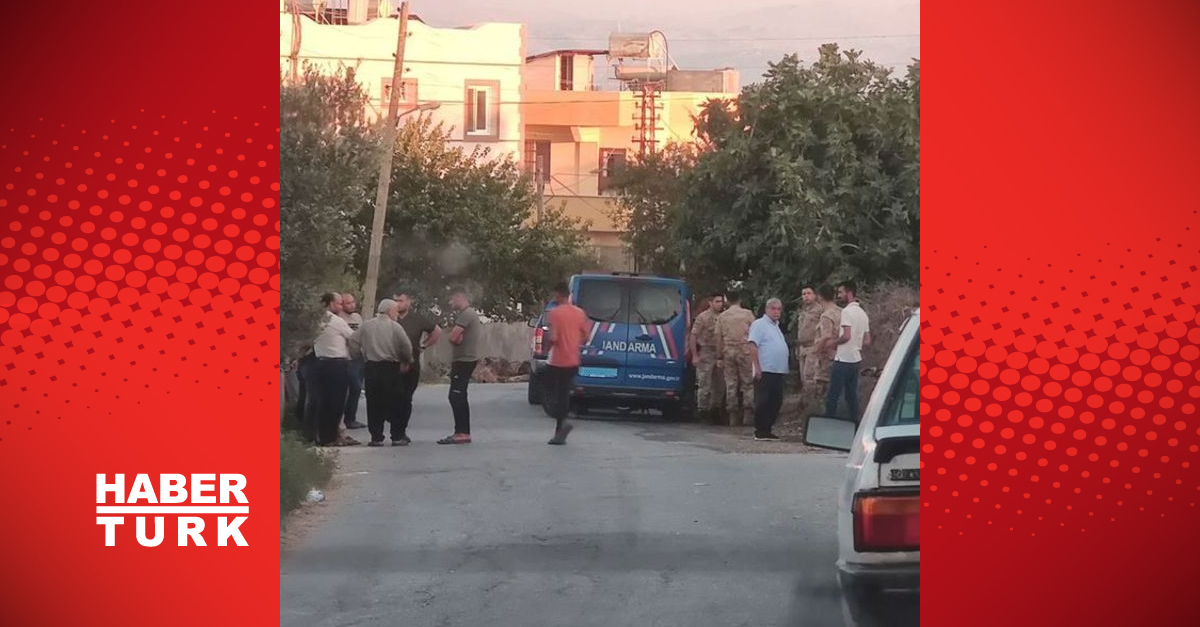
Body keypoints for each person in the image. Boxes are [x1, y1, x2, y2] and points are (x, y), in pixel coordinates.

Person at [349, 299, 414, 447]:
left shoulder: (366, 325)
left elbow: (352, 341)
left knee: (374, 403)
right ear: (390, 311)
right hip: (390, 367)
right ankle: (397, 436)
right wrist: (406, 361)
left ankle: (376, 437)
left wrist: (357, 356)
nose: (397, 314)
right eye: (396, 311)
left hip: (371, 367)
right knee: (395, 402)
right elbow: (405, 346)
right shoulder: (395, 327)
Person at [543, 282, 591, 445]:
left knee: (549, 391)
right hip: (573, 359)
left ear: (558, 295)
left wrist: (546, 349)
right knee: (564, 393)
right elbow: (586, 336)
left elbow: (554, 338)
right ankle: (559, 430)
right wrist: (573, 342)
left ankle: (561, 423)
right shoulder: (580, 313)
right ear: (569, 294)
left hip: (557, 359)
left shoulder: (555, 313)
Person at [391, 291, 443, 444]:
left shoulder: (417, 319)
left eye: (400, 300)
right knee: (393, 398)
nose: (397, 304)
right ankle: (394, 430)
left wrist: (423, 346)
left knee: (406, 398)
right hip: (391, 363)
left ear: (408, 302)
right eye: (395, 301)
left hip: (412, 363)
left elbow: (437, 331)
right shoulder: (389, 317)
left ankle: (400, 431)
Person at [311, 292, 358, 446]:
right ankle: (331, 437)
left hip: (320, 363)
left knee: (323, 401)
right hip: (336, 364)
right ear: (331, 304)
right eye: (338, 303)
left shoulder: (315, 320)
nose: (340, 306)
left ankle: (321, 435)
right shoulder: (336, 320)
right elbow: (353, 337)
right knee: (336, 403)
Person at [438, 287, 481, 445]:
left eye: (452, 299)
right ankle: (461, 431)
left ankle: (462, 432)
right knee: (458, 395)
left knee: (457, 395)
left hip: (464, 360)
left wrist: (454, 338)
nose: (450, 302)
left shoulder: (467, 314)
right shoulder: (467, 314)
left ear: (459, 297)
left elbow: (453, 336)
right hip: (463, 359)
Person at [826, 280, 871, 422]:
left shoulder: (846, 312)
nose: (838, 295)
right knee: (851, 396)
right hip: (856, 359)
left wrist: (833, 343)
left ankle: (827, 425)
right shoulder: (862, 313)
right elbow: (867, 340)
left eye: (840, 292)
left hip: (843, 359)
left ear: (849, 293)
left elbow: (846, 335)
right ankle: (855, 424)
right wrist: (856, 345)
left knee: (833, 394)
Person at [748, 298, 789, 441]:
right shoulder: (759, 325)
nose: (776, 312)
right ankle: (760, 430)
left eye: (779, 309)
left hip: (778, 370)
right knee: (764, 400)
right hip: (766, 369)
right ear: (766, 309)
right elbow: (753, 345)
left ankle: (768, 428)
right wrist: (757, 367)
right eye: (773, 308)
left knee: (776, 400)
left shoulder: (776, 326)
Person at [715, 291, 756, 427]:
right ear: (740, 299)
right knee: (747, 383)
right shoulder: (748, 314)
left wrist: (719, 356)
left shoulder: (722, 317)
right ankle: (747, 414)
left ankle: (732, 415)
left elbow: (718, 338)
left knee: (731, 383)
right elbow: (755, 333)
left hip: (729, 351)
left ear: (727, 300)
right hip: (745, 351)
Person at [689, 292, 725, 424]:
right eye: (717, 301)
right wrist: (695, 355)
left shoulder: (723, 317)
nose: (720, 304)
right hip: (706, 352)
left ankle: (715, 410)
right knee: (705, 383)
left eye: (721, 301)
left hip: (720, 353)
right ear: (710, 303)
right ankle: (702, 410)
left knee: (720, 385)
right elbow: (693, 336)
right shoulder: (702, 317)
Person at [809, 284, 842, 409]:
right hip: (839, 355)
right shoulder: (841, 312)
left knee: (823, 390)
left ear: (819, 297)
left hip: (825, 357)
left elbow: (826, 336)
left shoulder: (826, 315)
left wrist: (816, 350)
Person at [339, 292, 366, 430]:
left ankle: (351, 418)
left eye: (353, 302)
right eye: (348, 303)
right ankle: (341, 419)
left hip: (358, 358)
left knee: (356, 389)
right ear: (342, 305)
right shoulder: (339, 318)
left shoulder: (357, 317)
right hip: (345, 357)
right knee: (348, 388)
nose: (352, 305)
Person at [795, 286, 822, 390]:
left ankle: (812, 402)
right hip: (802, 347)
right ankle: (806, 401)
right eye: (804, 294)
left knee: (810, 376)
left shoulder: (819, 310)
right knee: (803, 379)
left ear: (815, 295)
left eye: (809, 293)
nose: (806, 296)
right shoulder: (803, 311)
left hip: (813, 347)